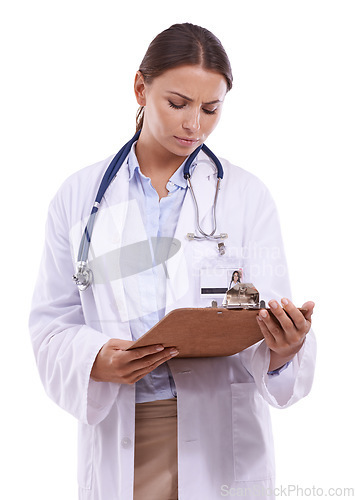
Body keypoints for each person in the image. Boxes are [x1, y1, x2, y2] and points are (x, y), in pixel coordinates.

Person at [29, 23, 316, 500]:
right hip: (126, 432)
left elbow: (265, 323)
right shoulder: (79, 197)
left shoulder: (245, 197)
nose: (194, 126)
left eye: (211, 108)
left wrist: (284, 349)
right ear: (141, 88)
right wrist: (97, 360)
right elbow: (52, 324)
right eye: (178, 104)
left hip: (220, 438)